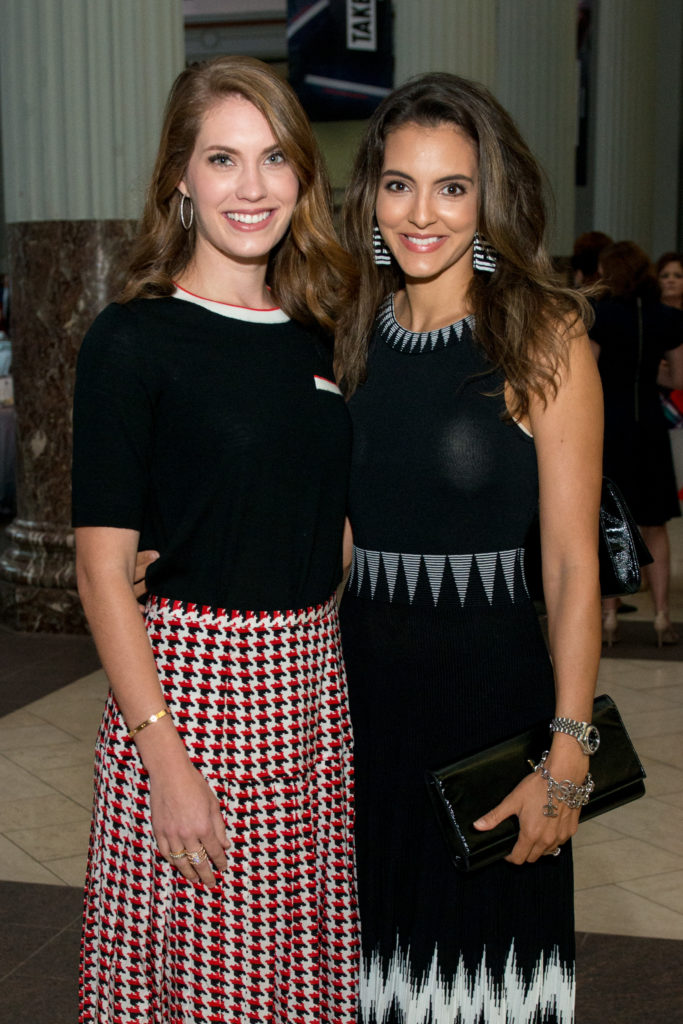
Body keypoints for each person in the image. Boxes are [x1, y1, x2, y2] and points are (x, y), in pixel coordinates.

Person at [72, 56, 359, 1023]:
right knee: (198, 984)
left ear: (301, 178)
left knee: (291, 979)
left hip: (312, 689)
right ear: (180, 181)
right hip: (195, 698)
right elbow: (102, 569)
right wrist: (164, 759)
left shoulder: (316, 331)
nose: (251, 187)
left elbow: (328, 517)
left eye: (273, 158)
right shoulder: (132, 339)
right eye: (222, 159)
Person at [335, 73, 603, 1023]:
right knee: (370, 984)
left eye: (452, 186)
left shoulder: (543, 336)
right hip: (357, 717)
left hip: (491, 721)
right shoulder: (347, 334)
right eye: (399, 183)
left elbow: (572, 568)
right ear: (370, 194)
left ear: (490, 195)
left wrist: (568, 749)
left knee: (484, 986)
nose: (422, 212)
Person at [590, 241, 683, 647]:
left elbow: (588, 374)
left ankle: (609, 617)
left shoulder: (600, 315)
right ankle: (662, 615)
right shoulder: (667, 318)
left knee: (613, 522)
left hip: (610, 426)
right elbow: (677, 380)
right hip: (650, 426)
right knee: (655, 525)